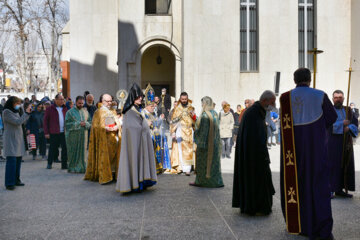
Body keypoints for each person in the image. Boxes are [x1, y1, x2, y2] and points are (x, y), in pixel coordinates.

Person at [279, 68, 337, 239]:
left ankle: (297, 224)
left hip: (293, 151)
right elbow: (332, 118)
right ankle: (319, 226)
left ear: (294, 80)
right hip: (315, 149)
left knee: (296, 185)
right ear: (310, 79)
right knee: (317, 185)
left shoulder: (284, 98)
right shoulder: (320, 95)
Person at [232, 90, 276, 216]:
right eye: (272, 102)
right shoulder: (253, 113)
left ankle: (257, 206)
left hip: (255, 154)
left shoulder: (257, 111)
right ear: (265, 101)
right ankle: (255, 207)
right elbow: (255, 137)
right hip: (253, 157)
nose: (273, 105)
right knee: (257, 181)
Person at [116, 83, 157, 193]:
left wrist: (144, 125)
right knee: (134, 159)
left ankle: (141, 181)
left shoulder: (138, 109)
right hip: (134, 143)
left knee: (141, 160)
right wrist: (144, 125)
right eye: (138, 96)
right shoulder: (129, 111)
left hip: (141, 141)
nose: (140, 98)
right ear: (133, 96)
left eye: (141, 96)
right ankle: (134, 183)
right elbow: (130, 127)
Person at [84, 94, 121, 184]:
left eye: (110, 101)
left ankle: (113, 174)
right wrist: (105, 128)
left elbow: (118, 121)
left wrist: (117, 126)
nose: (109, 103)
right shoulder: (98, 112)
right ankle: (105, 176)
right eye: (107, 101)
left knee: (115, 157)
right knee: (105, 157)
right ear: (102, 101)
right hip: (104, 139)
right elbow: (95, 126)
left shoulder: (113, 111)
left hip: (114, 138)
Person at [328, 90, 358, 198]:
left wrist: (349, 128)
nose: (338, 99)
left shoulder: (348, 110)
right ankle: (330, 189)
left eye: (340, 97)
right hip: (332, 142)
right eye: (336, 97)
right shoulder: (328, 110)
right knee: (332, 165)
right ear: (332, 99)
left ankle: (340, 189)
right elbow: (326, 124)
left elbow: (355, 123)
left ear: (344, 98)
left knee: (344, 164)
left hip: (346, 143)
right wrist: (341, 125)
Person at [190, 96, 224, 188]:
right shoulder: (215, 113)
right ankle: (216, 181)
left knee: (203, 164)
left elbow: (203, 131)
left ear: (205, 104)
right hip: (215, 143)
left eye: (202, 103)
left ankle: (202, 181)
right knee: (214, 164)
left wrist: (195, 130)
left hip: (206, 146)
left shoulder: (205, 115)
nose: (201, 105)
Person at [3, 96, 32, 190]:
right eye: (16, 103)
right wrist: (26, 113)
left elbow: (23, 122)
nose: (18, 105)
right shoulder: (6, 112)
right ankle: (9, 183)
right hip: (11, 139)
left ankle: (16, 180)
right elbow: (17, 122)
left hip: (19, 139)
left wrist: (25, 113)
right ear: (12, 103)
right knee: (11, 161)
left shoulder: (18, 111)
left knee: (18, 160)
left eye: (19, 103)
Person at [142, 84, 171, 174]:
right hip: (148, 136)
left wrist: (160, 119)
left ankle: (158, 167)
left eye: (154, 106)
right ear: (146, 105)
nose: (153, 108)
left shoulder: (153, 114)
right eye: (151, 107)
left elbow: (156, 124)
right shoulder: (143, 113)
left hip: (156, 135)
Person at [170, 92, 196, 175]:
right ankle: (183, 168)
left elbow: (194, 119)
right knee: (181, 150)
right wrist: (173, 132)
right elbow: (174, 121)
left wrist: (193, 116)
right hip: (180, 130)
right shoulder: (177, 109)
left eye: (185, 99)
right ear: (180, 99)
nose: (184, 101)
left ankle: (188, 168)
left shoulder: (191, 107)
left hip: (189, 131)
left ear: (187, 98)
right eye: (182, 99)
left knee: (189, 150)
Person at [65, 96, 92, 173]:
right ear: (75, 102)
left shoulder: (86, 112)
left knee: (83, 152)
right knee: (73, 152)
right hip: (73, 136)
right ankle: (72, 167)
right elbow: (67, 124)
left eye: (82, 103)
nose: (81, 105)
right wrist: (78, 123)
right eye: (79, 103)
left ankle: (83, 167)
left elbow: (90, 122)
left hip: (84, 135)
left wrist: (86, 123)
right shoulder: (69, 112)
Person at [43, 94, 68, 169]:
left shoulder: (65, 108)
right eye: (60, 99)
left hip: (63, 132)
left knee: (64, 149)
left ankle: (64, 165)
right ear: (55, 100)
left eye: (63, 99)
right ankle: (49, 163)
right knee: (52, 148)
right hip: (54, 132)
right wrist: (46, 132)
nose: (62, 101)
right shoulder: (50, 109)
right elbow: (45, 121)